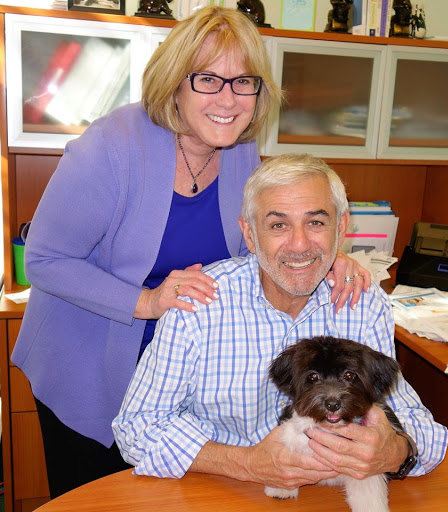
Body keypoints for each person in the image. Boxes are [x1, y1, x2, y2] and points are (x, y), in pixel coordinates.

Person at [11, 6, 370, 499]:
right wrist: (148, 301)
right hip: (88, 364)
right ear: (175, 83)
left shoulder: (239, 150)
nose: (228, 98)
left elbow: (258, 243)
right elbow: (44, 260)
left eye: (243, 82)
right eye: (207, 79)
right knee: (98, 498)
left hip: (180, 374)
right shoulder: (111, 147)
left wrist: (322, 258)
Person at [113, 153, 448, 489]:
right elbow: (135, 428)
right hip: (222, 489)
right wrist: (245, 463)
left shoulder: (361, 302)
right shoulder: (199, 305)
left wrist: (397, 451)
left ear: (341, 227)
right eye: (278, 225)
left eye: (316, 223)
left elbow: (419, 425)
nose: (299, 245)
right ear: (249, 234)